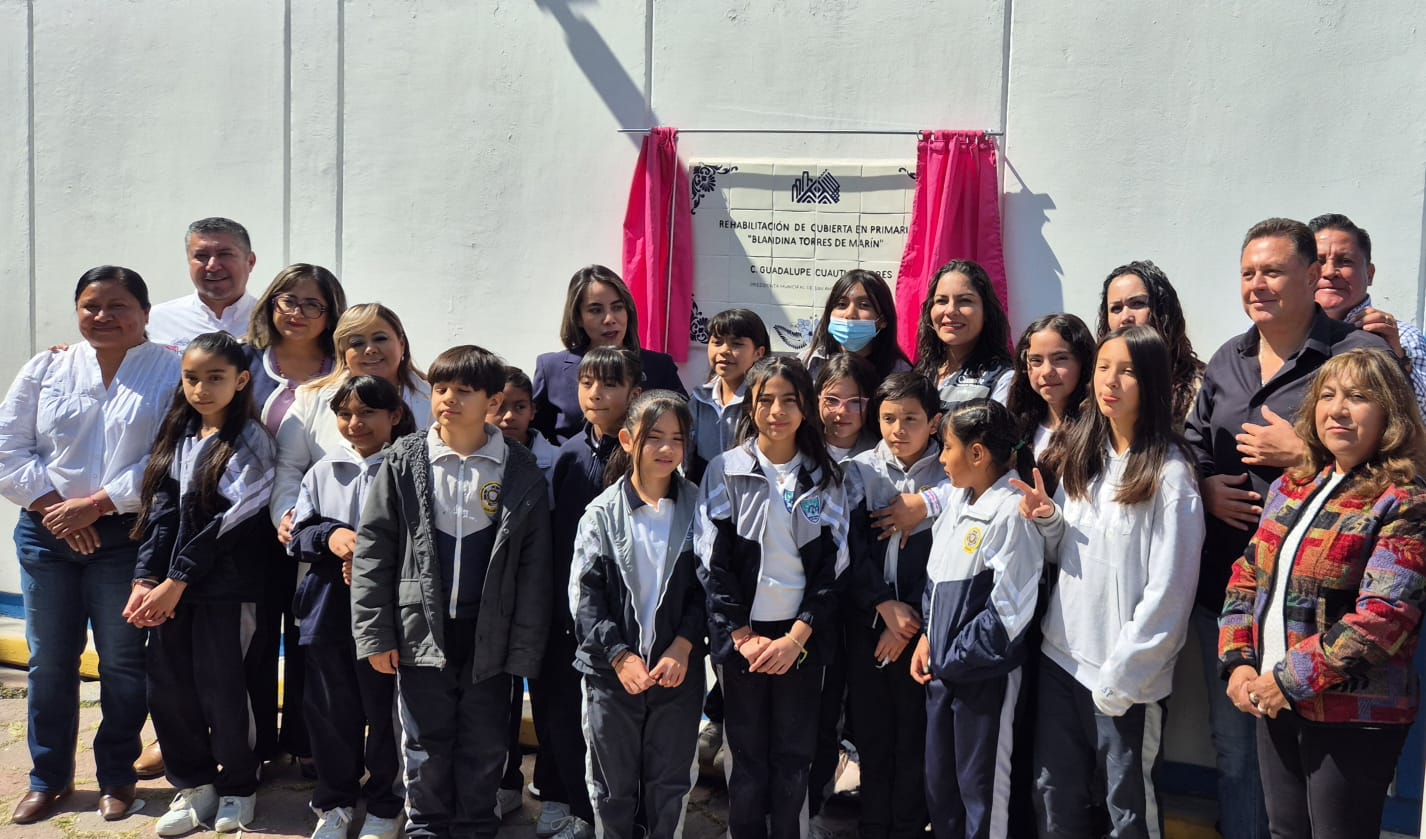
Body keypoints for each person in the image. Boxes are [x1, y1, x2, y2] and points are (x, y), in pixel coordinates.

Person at [1183, 218, 1389, 839]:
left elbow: (1397, 466)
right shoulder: (1229, 359)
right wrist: (1204, 486)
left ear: (1310, 275)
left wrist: (1300, 450)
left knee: (1321, 787)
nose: (1258, 285)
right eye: (1248, 274)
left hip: (1328, 616)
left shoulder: (1360, 359)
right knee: (1238, 751)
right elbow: (1190, 446)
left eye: (1272, 272)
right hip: (1236, 599)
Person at [1219, 348, 1426, 838]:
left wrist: (1287, 678)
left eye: (1358, 397)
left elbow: (1383, 617)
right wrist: (1239, 662)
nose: (1338, 409)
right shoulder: (1293, 484)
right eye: (1328, 396)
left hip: (1352, 714)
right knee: (1285, 832)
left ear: (1389, 413)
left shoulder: (1405, 500)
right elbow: (1246, 577)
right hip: (1274, 699)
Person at [0, 266, 180, 824]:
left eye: (119, 305)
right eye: (90, 305)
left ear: (145, 314)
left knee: (124, 663)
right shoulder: (48, 365)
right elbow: (9, 447)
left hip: (125, 536)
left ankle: (117, 777)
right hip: (46, 532)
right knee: (50, 661)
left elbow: (170, 456)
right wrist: (57, 509)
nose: (103, 316)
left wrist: (97, 505)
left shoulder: (172, 370)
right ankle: (48, 778)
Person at [352, 344, 552, 839]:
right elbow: (374, 548)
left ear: (492, 400)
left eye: (464, 391)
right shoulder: (405, 459)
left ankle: (475, 826)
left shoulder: (518, 469)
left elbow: (534, 570)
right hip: (422, 632)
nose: (448, 399)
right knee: (425, 741)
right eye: (441, 388)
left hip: (491, 636)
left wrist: (523, 648)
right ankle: (426, 826)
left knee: (485, 742)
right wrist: (375, 634)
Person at [1019, 326, 1204, 839]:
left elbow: (1170, 594)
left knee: (1127, 811)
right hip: (1061, 659)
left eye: (1126, 370)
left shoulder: (1170, 476)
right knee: (1054, 797)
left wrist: (1122, 679)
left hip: (1123, 681)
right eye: (1103, 367)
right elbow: (1071, 556)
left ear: (1151, 381)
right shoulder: (1088, 452)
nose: (1110, 381)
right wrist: (1049, 521)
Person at [124, 332, 275, 835]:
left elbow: (225, 527)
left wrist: (177, 581)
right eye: (193, 377)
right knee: (168, 687)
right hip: (171, 587)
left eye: (216, 377)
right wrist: (146, 580)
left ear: (242, 380)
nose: (202, 388)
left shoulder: (251, 441)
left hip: (226, 589)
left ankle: (238, 784)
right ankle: (194, 784)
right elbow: (160, 515)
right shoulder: (178, 437)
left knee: (225, 688)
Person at [695, 356, 846, 839]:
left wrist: (797, 637)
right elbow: (710, 563)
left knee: (793, 756)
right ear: (751, 407)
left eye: (789, 399)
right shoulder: (725, 470)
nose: (777, 411)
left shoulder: (827, 477)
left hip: (800, 641)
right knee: (746, 755)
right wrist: (741, 635)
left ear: (806, 407)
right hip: (744, 642)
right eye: (765, 400)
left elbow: (834, 569)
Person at [569, 390, 706, 839]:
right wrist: (620, 656)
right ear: (628, 440)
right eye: (654, 437)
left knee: (670, 782)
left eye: (677, 438)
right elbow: (585, 598)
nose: (666, 449)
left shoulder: (699, 510)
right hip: (612, 677)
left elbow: (709, 592)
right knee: (613, 785)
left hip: (676, 674)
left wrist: (684, 646)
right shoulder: (600, 515)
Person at [910, 398, 1043, 839]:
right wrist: (928, 640)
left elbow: (1009, 614)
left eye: (946, 447)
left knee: (982, 796)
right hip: (946, 673)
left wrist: (954, 658)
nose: (941, 458)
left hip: (985, 680)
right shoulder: (958, 501)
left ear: (977, 453)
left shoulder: (1011, 511)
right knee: (942, 788)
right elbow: (936, 579)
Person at [290, 376, 413, 839]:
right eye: (345, 414)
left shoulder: (406, 468)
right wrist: (331, 536)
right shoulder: (324, 471)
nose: (355, 423)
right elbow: (298, 536)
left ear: (394, 417)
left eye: (367, 413)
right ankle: (335, 802)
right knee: (329, 711)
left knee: (386, 712)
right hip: (328, 614)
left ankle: (387, 803)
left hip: (386, 616)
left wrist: (374, 564)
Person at [534, 347, 643, 839]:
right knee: (566, 715)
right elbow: (559, 544)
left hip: (632, 619)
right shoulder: (568, 457)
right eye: (586, 384)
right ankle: (578, 809)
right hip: (572, 615)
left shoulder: (646, 456)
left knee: (622, 728)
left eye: (609, 384)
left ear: (634, 393)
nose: (595, 394)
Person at [242, 262, 348, 770]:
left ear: (330, 313)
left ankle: (305, 743)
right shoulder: (244, 362)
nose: (299, 312)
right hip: (247, 528)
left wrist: (301, 521)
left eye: (313, 303)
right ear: (270, 303)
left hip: (319, 532)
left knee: (311, 637)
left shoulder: (346, 372)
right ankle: (258, 746)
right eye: (289, 300)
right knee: (258, 639)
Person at [843, 372, 945, 839]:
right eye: (888, 418)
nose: (898, 429)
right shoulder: (859, 470)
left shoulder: (950, 474)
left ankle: (907, 824)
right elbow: (848, 550)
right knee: (870, 731)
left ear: (935, 422)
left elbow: (950, 564)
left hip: (924, 634)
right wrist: (883, 607)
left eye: (911, 418)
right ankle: (872, 823)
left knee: (915, 734)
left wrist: (911, 624)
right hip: (868, 624)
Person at [273, 303, 431, 535]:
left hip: (407, 545)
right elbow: (288, 467)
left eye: (380, 338)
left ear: (402, 344)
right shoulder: (311, 398)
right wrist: (287, 512)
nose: (370, 350)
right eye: (356, 343)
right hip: (330, 546)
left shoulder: (434, 399)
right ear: (342, 354)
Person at [487, 364, 556, 818]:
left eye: (519, 406)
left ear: (534, 411)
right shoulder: (481, 456)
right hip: (493, 598)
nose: (509, 416)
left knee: (547, 694)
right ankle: (504, 779)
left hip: (539, 593)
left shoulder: (553, 460)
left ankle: (550, 785)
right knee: (498, 697)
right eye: (499, 406)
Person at [532, 265, 686, 443]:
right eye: (596, 310)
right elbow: (534, 437)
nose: (610, 319)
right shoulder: (551, 368)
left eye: (617, 307)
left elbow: (684, 430)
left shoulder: (660, 367)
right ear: (578, 318)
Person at [1308, 212, 1426, 416]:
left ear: (1369, 274)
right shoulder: (1282, 335)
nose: (1329, 272)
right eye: (1319, 261)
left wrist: (1398, 359)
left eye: (1344, 261)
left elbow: (1421, 419)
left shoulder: (1403, 338)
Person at [1096, 261, 1204, 426]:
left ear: (1162, 311)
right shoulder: (1100, 384)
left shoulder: (1201, 387)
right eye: (1116, 308)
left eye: (1137, 304)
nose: (1125, 317)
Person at [914, 260, 1014, 412]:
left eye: (965, 301)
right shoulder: (921, 371)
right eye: (941, 301)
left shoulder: (1003, 378)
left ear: (986, 311)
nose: (950, 310)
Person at [148, 217, 259, 348]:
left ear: (250, 262)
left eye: (224, 254)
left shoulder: (272, 321)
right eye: (202, 256)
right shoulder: (155, 321)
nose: (212, 265)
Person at [689, 308, 769, 483]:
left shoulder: (764, 401)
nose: (724, 350)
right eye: (717, 342)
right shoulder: (699, 398)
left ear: (759, 353)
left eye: (736, 344)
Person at [1006, 313, 1095, 457]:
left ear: (1084, 362)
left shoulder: (1096, 430)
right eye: (1036, 360)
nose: (1047, 372)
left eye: (1060, 359)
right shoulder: (1019, 428)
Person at [801, 269, 912, 382]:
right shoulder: (808, 364)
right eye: (842, 304)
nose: (850, 314)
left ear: (883, 320)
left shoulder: (901, 374)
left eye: (864, 305)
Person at [816, 353, 881, 462]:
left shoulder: (880, 457)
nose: (842, 411)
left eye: (855, 401)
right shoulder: (798, 449)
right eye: (832, 400)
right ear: (818, 399)